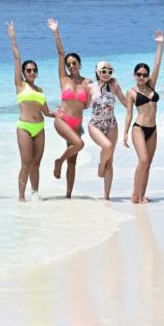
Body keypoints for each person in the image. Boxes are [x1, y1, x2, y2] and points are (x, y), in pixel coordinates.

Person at [8, 22, 52, 201]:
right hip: (24, 127)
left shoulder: (40, 90)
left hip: (40, 126)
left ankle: (35, 192)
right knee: (26, 162)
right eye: (29, 70)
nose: (32, 72)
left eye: (34, 70)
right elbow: (17, 58)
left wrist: (63, 114)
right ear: (24, 73)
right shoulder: (20, 84)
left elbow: (47, 112)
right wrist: (13, 37)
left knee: (36, 163)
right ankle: (21, 196)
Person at [48, 18, 90, 198]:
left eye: (74, 63)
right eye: (69, 64)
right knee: (79, 144)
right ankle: (58, 161)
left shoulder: (88, 82)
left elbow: (87, 105)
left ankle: (68, 195)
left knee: (73, 161)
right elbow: (60, 53)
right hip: (62, 120)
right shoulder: (63, 79)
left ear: (80, 64)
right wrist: (56, 32)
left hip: (77, 123)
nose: (71, 66)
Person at [123, 30, 164, 204]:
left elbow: (157, 64)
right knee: (143, 159)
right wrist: (125, 133)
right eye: (139, 74)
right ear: (135, 75)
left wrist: (160, 44)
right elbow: (128, 113)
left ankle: (142, 195)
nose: (142, 77)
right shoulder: (131, 92)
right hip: (139, 128)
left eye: (144, 74)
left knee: (148, 163)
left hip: (153, 129)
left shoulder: (152, 86)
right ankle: (135, 194)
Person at [87, 60, 128, 200]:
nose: (106, 74)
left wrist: (141, 101)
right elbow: (84, 105)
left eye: (110, 72)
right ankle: (101, 164)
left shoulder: (114, 85)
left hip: (111, 123)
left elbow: (124, 101)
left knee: (110, 161)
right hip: (95, 124)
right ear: (98, 71)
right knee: (108, 146)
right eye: (104, 71)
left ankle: (106, 196)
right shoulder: (90, 87)